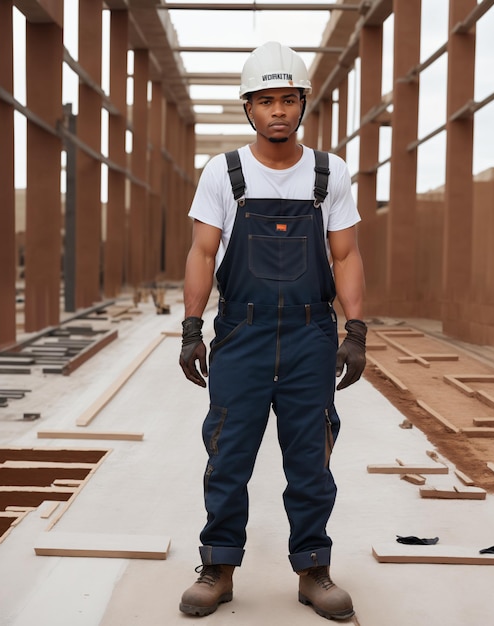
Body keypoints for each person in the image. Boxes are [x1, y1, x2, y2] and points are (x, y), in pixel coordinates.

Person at [179, 41, 366, 621]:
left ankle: (314, 570)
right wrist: (191, 327)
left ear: (303, 104)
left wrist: (355, 329)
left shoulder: (328, 172)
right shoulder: (223, 171)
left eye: (288, 99)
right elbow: (201, 252)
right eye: (266, 101)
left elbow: (347, 255)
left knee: (311, 457)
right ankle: (218, 567)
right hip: (243, 334)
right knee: (228, 453)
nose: (278, 111)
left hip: (310, 334)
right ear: (248, 109)